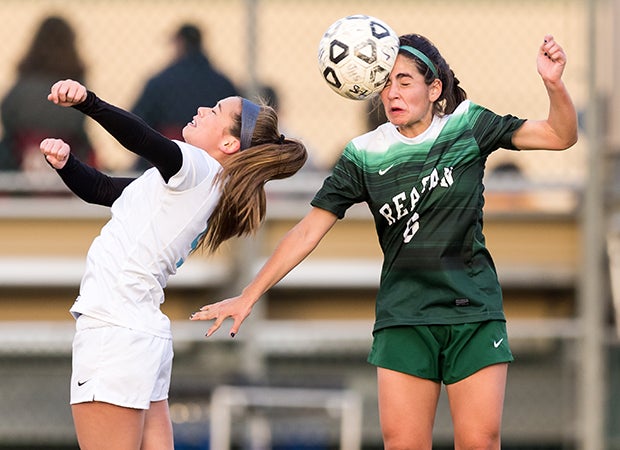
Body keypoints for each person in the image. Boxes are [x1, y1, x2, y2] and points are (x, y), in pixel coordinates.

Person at [190, 33, 578, 449]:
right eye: (385, 82)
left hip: (473, 313)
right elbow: (306, 231)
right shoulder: (363, 154)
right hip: (404, 316)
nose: (392, 93)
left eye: (405, 81)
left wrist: (553, 84)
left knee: (480, 441)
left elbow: (560, 136)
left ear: (435, 90)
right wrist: (249, 294)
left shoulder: (469, 126)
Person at [39, 79, 307, 450]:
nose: (201, 110)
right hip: (140, 331)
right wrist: (67, 165)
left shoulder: (197, 165)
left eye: (214, 111)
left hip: (114, 329)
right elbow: (102, 190)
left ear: (229, 144)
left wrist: (90, 103)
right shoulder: (198, 183)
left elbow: (144, 140)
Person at [131, 23, 240, 170]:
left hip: (164, 155)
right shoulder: (222, 82)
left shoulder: (161, 80)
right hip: (214, 161)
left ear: (180, 43)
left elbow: (138, 117)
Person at [0, 16, 96, 173]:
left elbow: (7, 114)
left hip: (19, 156)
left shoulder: (25, 79)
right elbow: (79, 122)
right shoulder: (75, 82)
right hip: (69, 153)